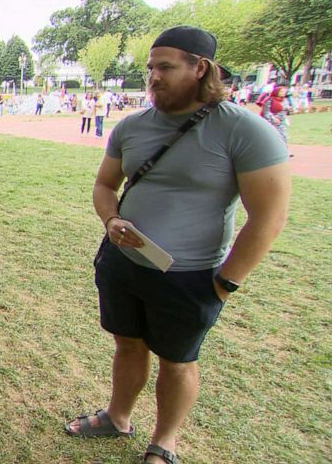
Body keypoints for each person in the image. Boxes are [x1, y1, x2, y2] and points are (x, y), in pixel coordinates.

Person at [65, 26, 290, 464]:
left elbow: (269, 217)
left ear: (200, 68)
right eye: (150, 68)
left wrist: (227, 282)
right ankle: (118, 416)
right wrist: (110, 219)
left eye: (165, 67)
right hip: (123, 264)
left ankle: (164, 443)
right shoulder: (131, 127)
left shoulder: (245, 130)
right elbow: (104, 184)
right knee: (127, 345)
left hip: (191, 275)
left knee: (178, 360)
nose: (153, 77)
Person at [261, 86, 291, 150]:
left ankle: (284, 150)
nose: (283, 93)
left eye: (284, 92)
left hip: (282, 121)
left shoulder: (285, 100)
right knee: (271, 136)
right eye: (281, 91)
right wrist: (273, 118)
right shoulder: (270, 100)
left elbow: (286, 110)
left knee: (283, 135)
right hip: (272, 122)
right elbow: (266, 112)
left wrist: (288, 110)